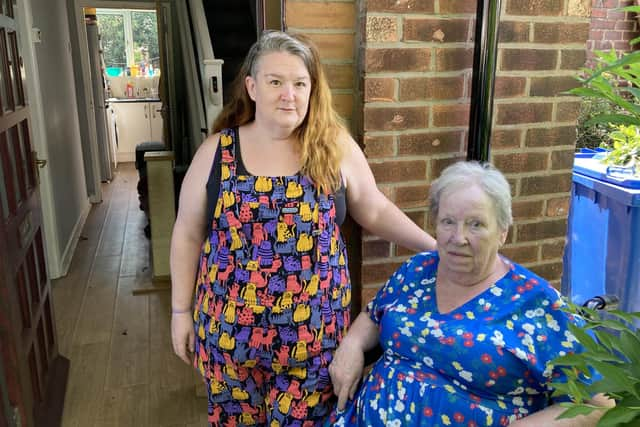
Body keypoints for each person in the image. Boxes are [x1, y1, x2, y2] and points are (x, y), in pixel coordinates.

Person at [170, 30, 436, 427]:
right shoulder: (217, 153)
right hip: (229, 344)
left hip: (314, 345)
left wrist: (434, 247)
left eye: (299, 83)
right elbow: (188, 233)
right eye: (275, 82)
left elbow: (375, 210)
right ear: (252, 87)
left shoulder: (334, 147)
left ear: (312, 89)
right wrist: (180, 311)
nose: (288, 94)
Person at [327, 161, 612, 426]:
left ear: (502, 232)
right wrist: (352, 344)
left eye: (476, 224)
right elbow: (374, 314)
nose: (458, 237)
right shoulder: (417, 270)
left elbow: (598, 403)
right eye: (448, 221)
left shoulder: (538, 304)